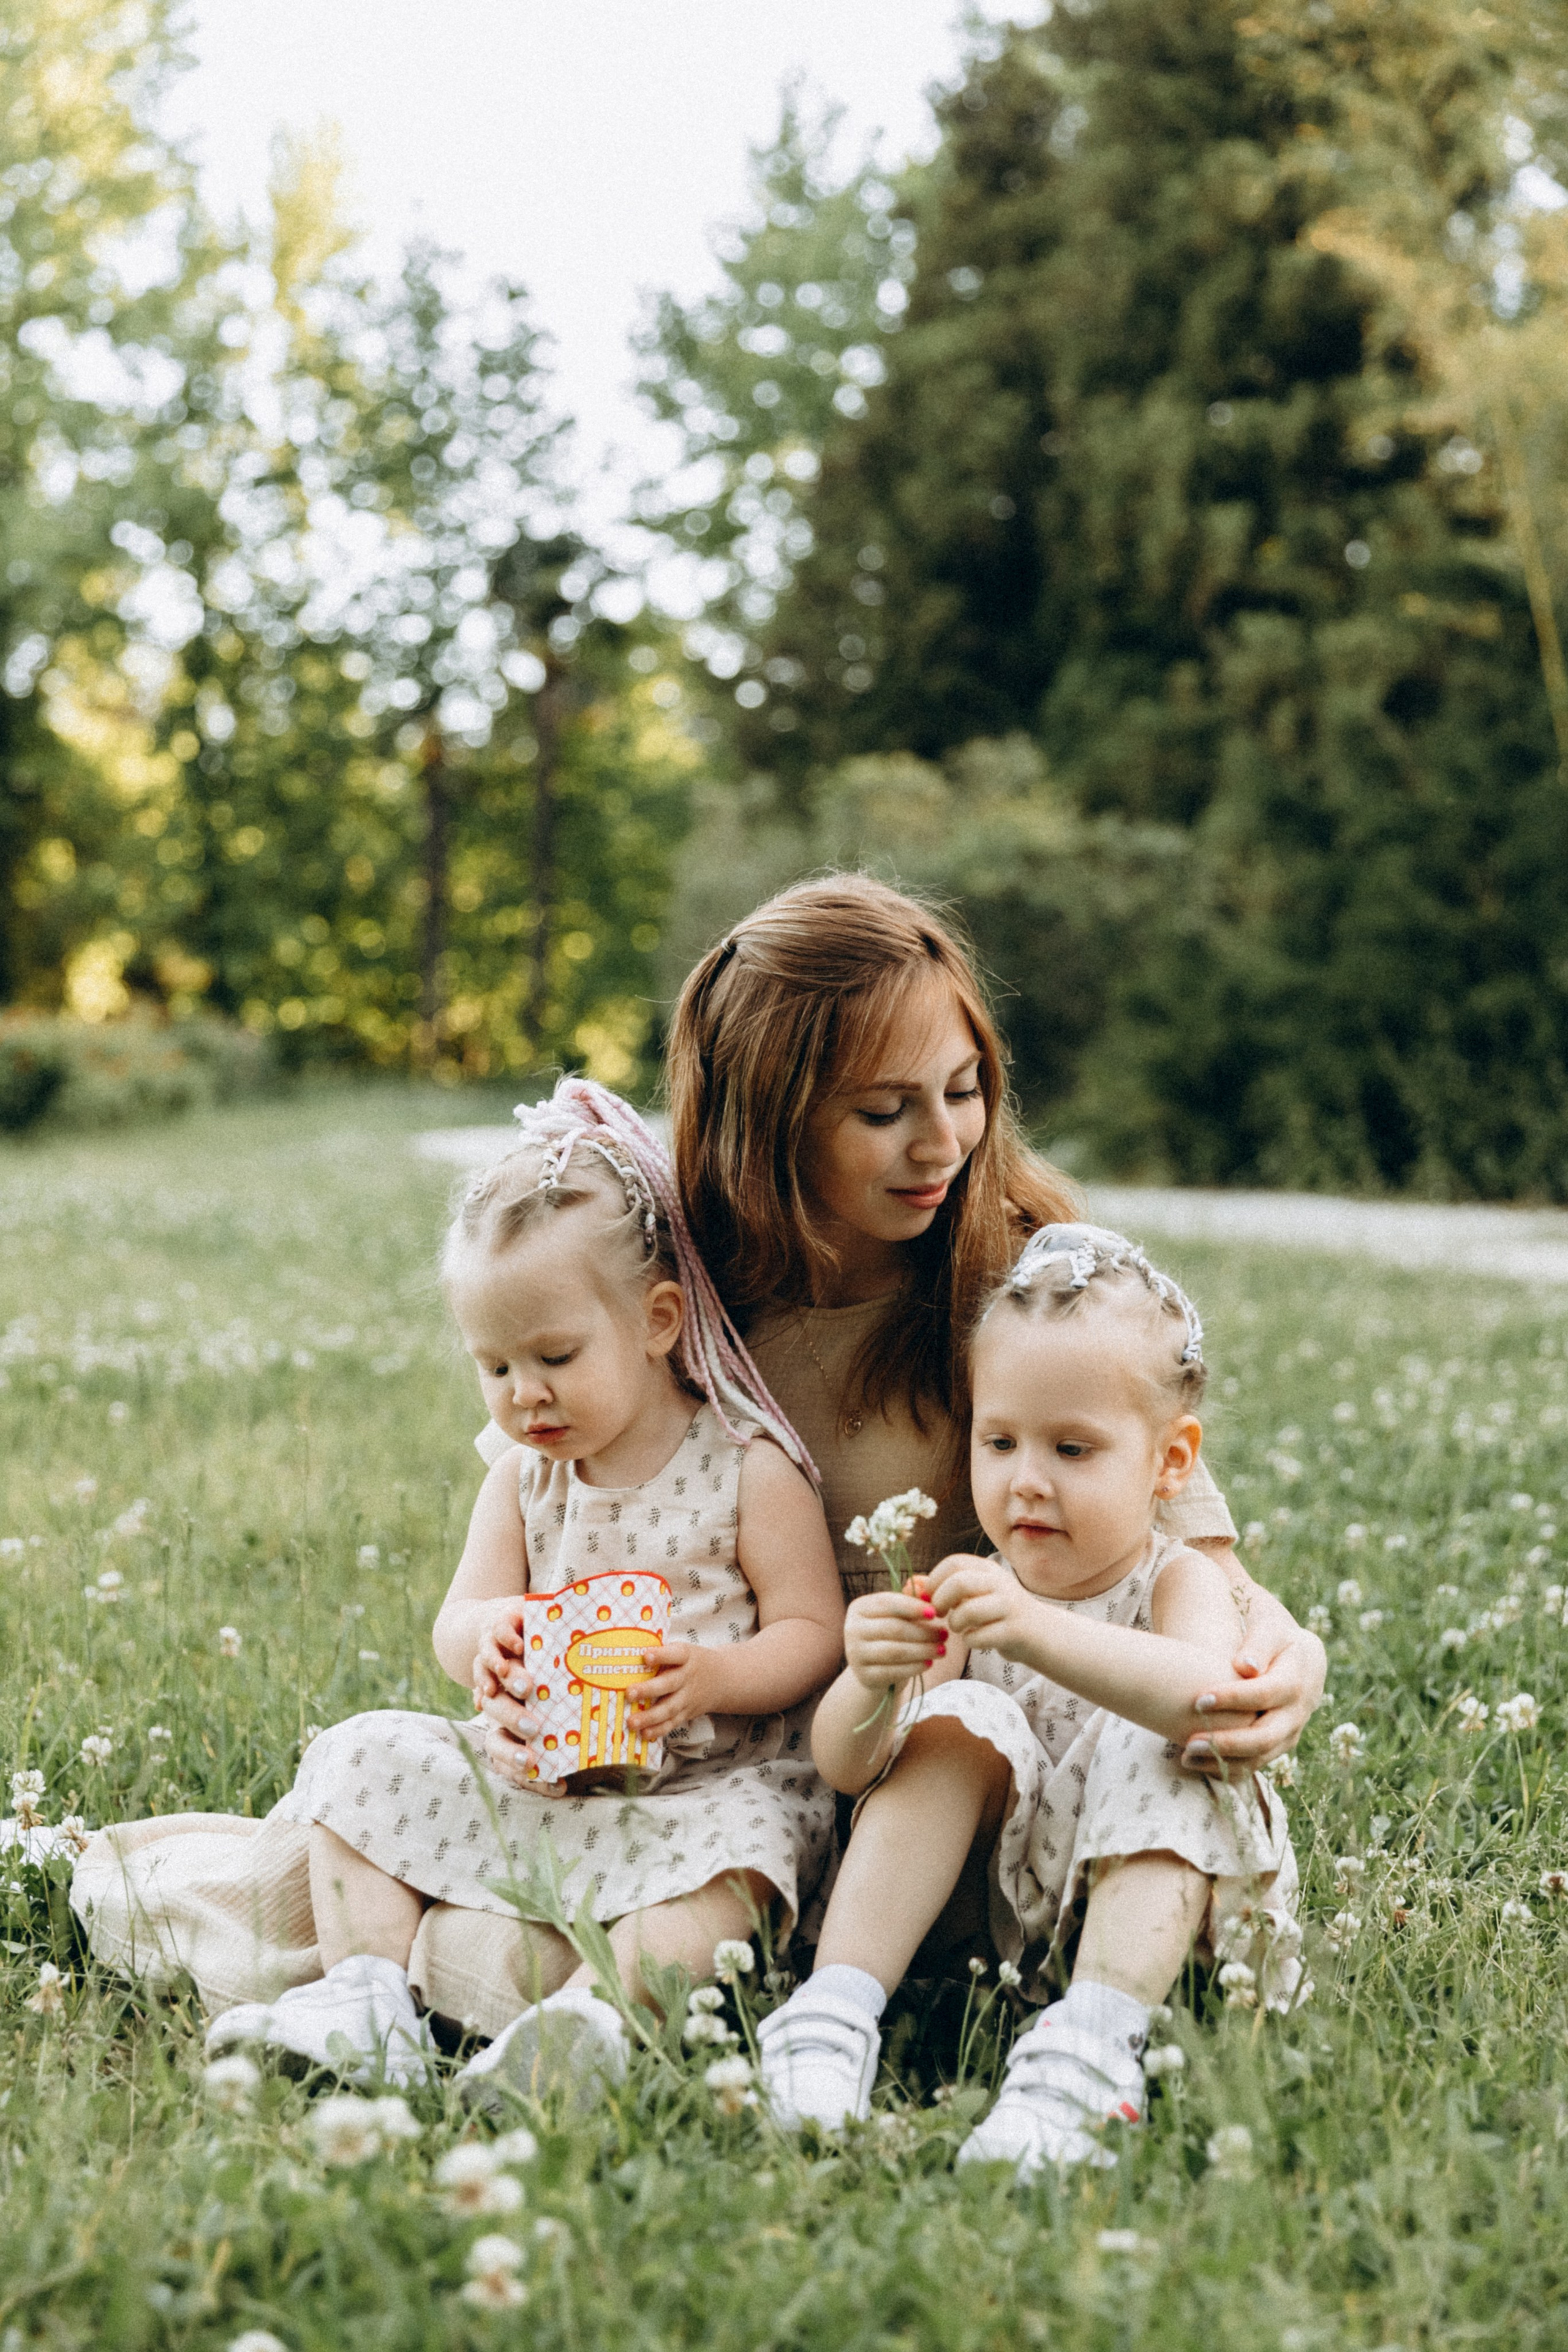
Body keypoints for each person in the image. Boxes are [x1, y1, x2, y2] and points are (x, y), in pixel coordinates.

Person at [75, 875, 1323, 2047]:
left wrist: (1288, 1658)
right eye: (882, 1112)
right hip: (672, 1766)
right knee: (450, 1911)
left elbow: (1180, 1546)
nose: (939, 1141)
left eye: (962, 1087)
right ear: (771, 1119)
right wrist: (508, 1658)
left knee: (569, 1947)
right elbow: (536, 1487)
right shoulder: (677, 1272)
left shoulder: (1023, 1262)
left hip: (925, 1764)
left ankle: (626, 1981)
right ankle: (439, 1993)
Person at [97, 1085, 845, 2101]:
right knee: (357, 1755)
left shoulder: (745, 1469)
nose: (522, 1393)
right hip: (542, 1782)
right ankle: (368, 1999)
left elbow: (814, 1633)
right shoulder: (523, 1480)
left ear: (659, 1320)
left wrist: (712, 1675)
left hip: (704, 1791)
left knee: (749, 1859)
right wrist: (489, 1640)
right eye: (492, 1365)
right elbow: (459, 1622)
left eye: (554, 1357)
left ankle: (592, 2026)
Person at [756, 1225, 1302, 2174]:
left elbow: (1207, 1699)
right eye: (999, 1441)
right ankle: (834, 2012)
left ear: (1172, 1463)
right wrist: (872, 1680)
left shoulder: (1178, 1583)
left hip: (1145, 1912)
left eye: (1074, 1449)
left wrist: (1033, 1628)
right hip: (991, 1931)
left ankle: (1090, 2056)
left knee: (1160, 1738)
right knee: (956, 1726)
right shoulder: (971, 1584)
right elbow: (847, 1766)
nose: (1026, 1481)